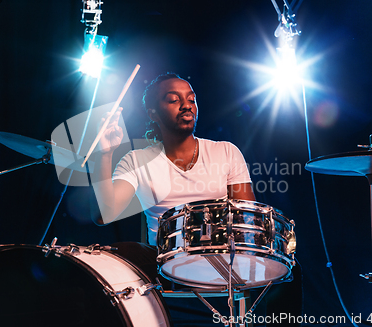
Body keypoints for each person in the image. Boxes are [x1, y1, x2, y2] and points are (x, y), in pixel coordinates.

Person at [91, 73, 301, 326]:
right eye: (173, 99)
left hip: (226, 252)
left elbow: (247, 219)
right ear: (153, 113)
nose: (186, 104)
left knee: (289, 267)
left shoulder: (225, 151)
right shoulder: (136, 160)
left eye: (191, 98)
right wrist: (104, 154)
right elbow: (106, 213)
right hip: (164, 259)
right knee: (116, 256)